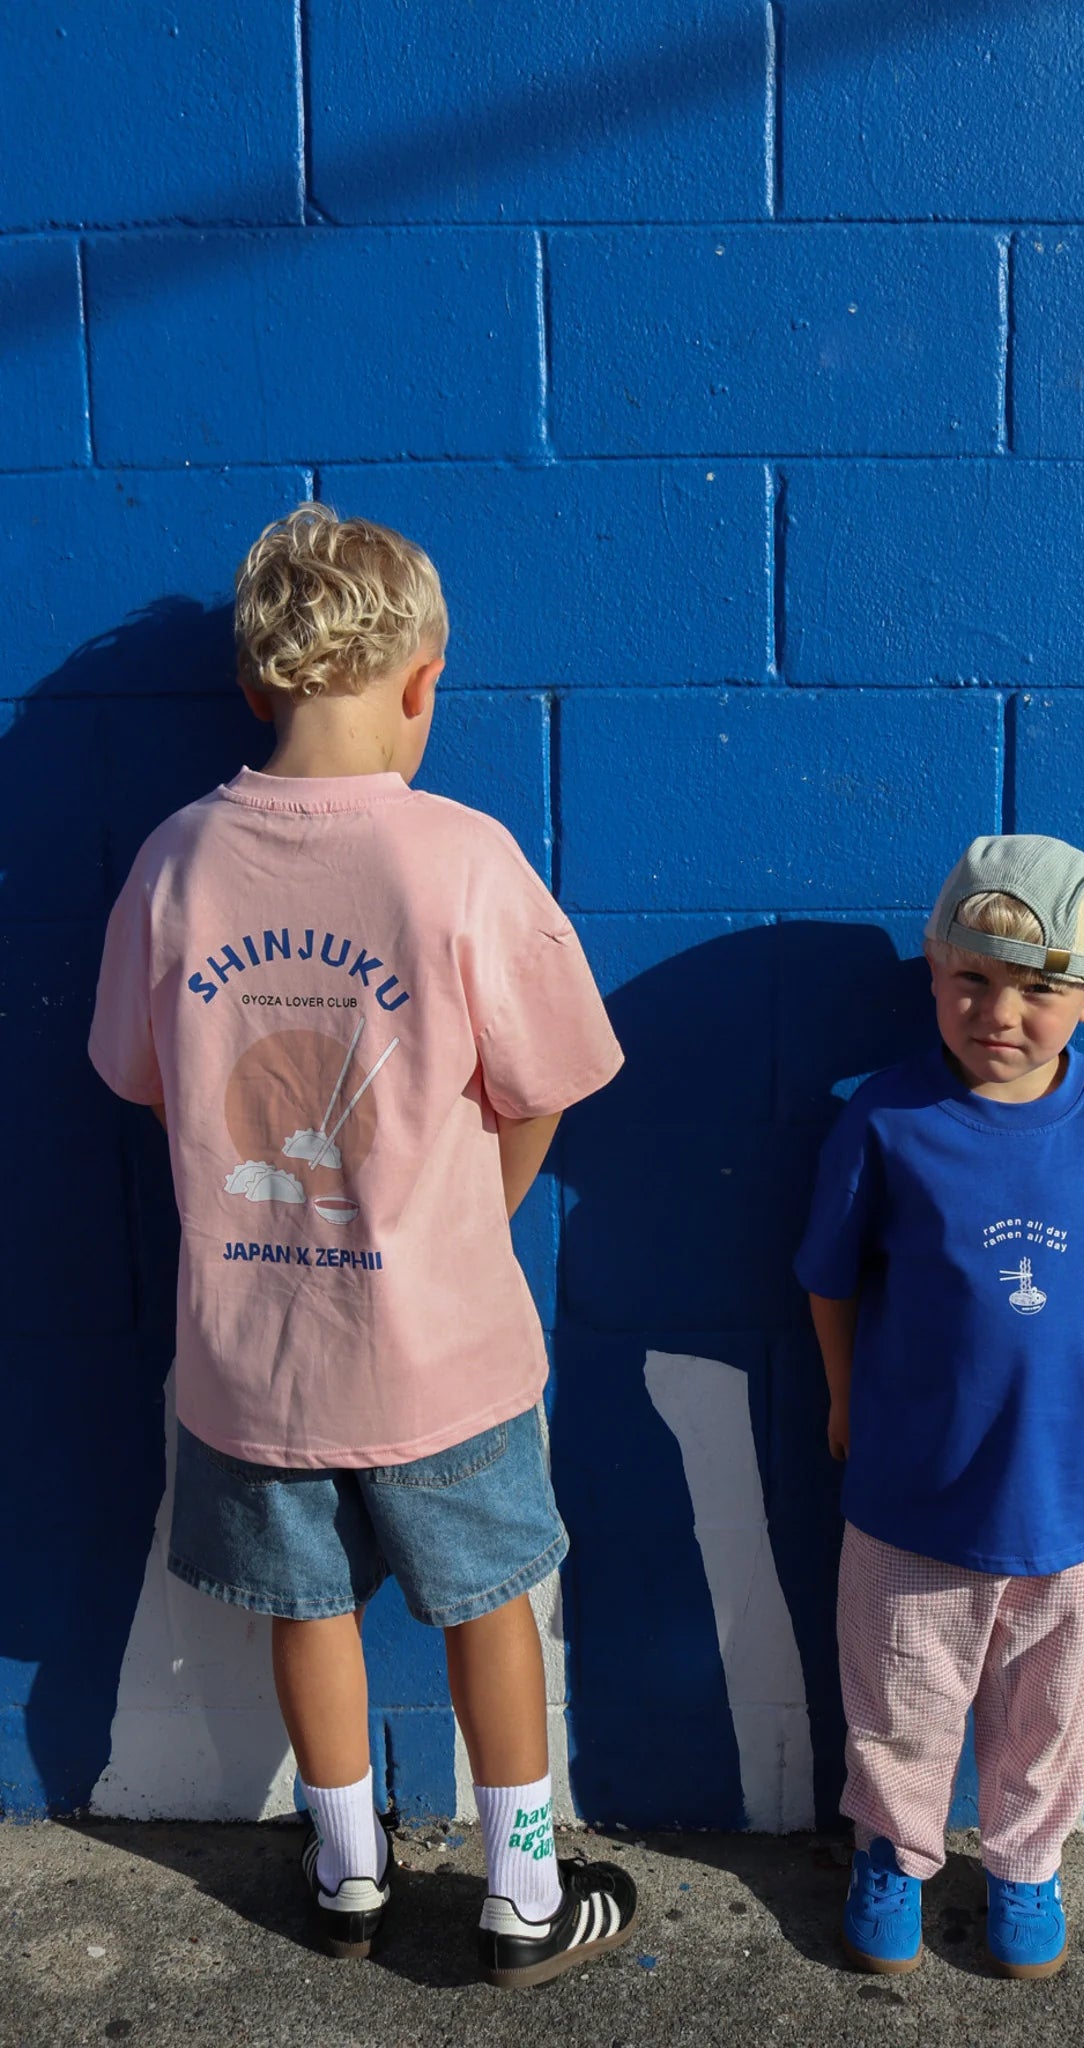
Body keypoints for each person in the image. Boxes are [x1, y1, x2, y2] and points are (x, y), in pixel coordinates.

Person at [89, 504, 636, 1987]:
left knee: (306, 1607)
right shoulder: (460, 858)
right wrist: (472, 1220)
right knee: (491, 1604)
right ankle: (523, 1894)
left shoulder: (179, 859)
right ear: (420, 682)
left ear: (260, 687)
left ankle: (346, 1876)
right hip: (439, 1353)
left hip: (251, 1357)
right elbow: (553, 1081)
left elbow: (139, 1075)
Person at [795, 835, 1084, 1981]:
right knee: (900, 1692)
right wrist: (842, 1396)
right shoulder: (888, 1118)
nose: (999, 1013)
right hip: (908, 1488)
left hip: (1062, 1494)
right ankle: (896, 1849)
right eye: (972, 978)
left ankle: (1027, 1861)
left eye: (1038, 988)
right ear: (932, 969)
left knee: (1045, 1696)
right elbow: (828, 1277)